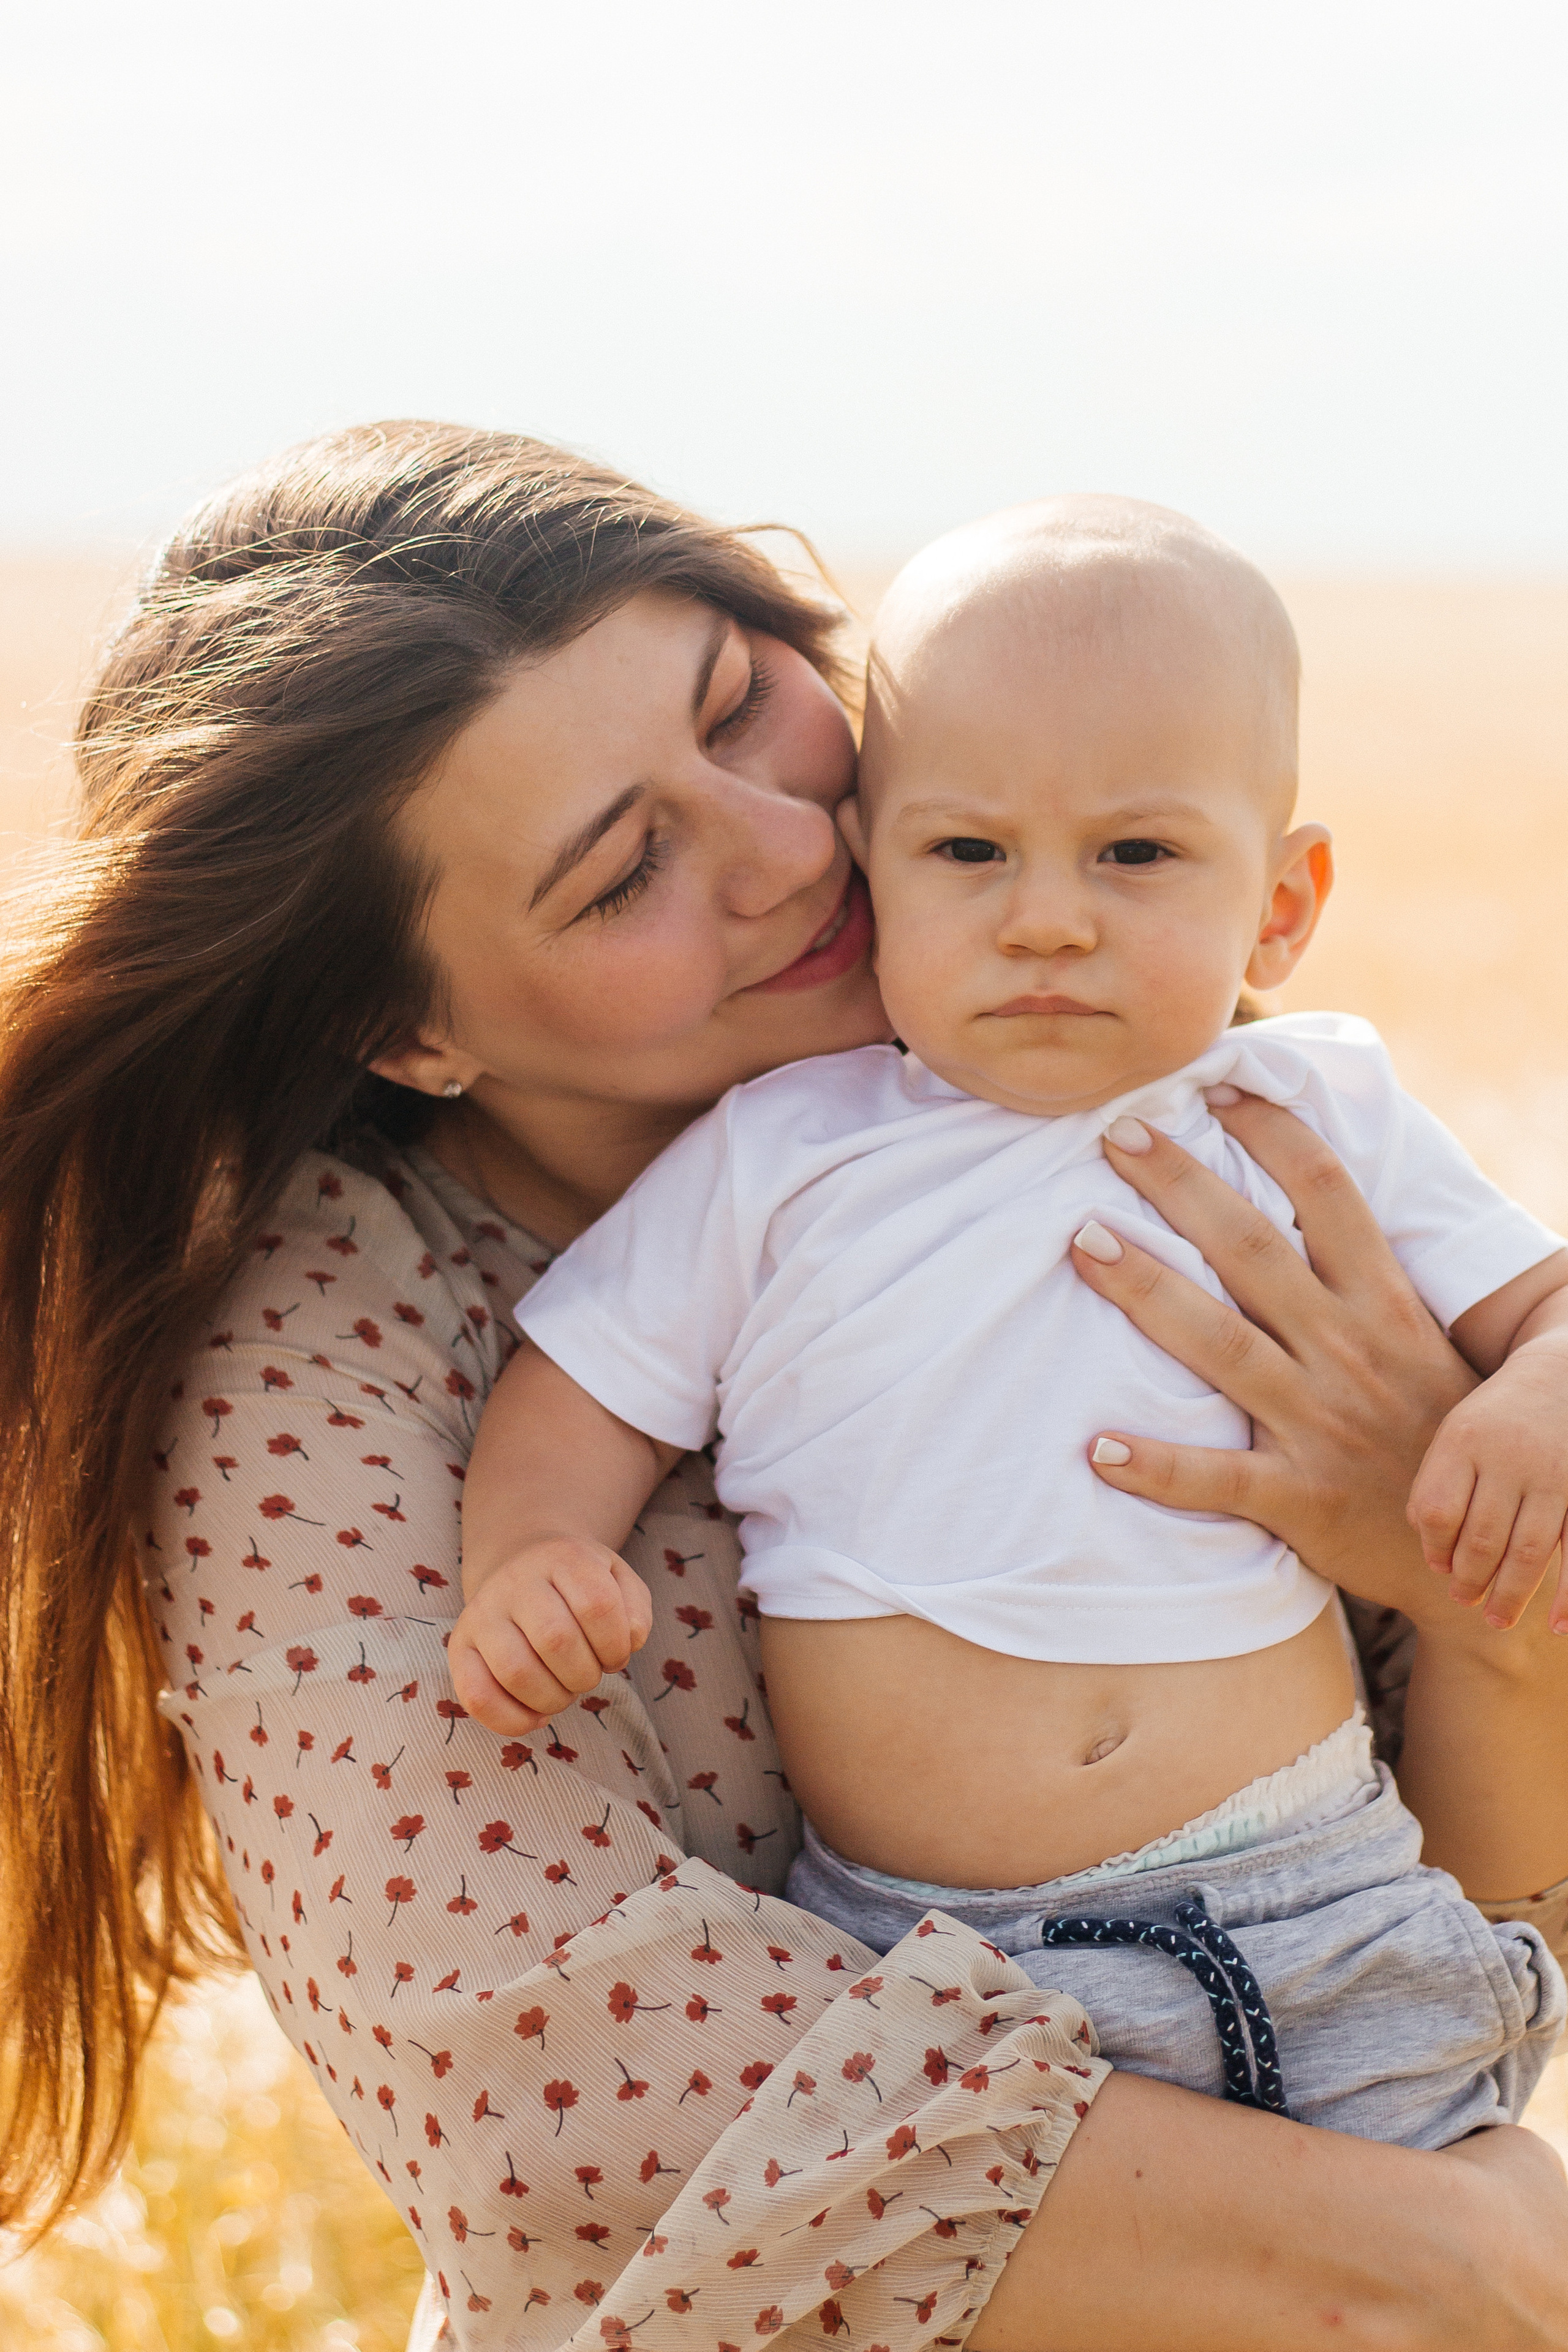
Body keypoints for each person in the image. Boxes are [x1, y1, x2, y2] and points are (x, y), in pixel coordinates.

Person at [0, 425, 1563, 2352]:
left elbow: (1489, 1911)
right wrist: (1452, 2264)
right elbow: (558, 2097)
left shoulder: (1137, 1110)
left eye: (743, 704)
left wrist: (1460, 1577)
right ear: (404, 1028)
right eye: (625, 872)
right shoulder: (318, 1359)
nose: (794, 845)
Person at [451, 496, 1567, 2148]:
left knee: (1450, 2239)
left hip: (1317, 1899)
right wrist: (533, 1553)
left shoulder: (1306, 1102)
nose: (1047, 917)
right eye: (968, 853)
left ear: (1280, 904)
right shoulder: (782, 1154)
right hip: (921, 1959)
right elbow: (583, 1388)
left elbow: (1547, 1303)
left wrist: (1535, 1395)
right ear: (874, 869)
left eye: (1136, 854)